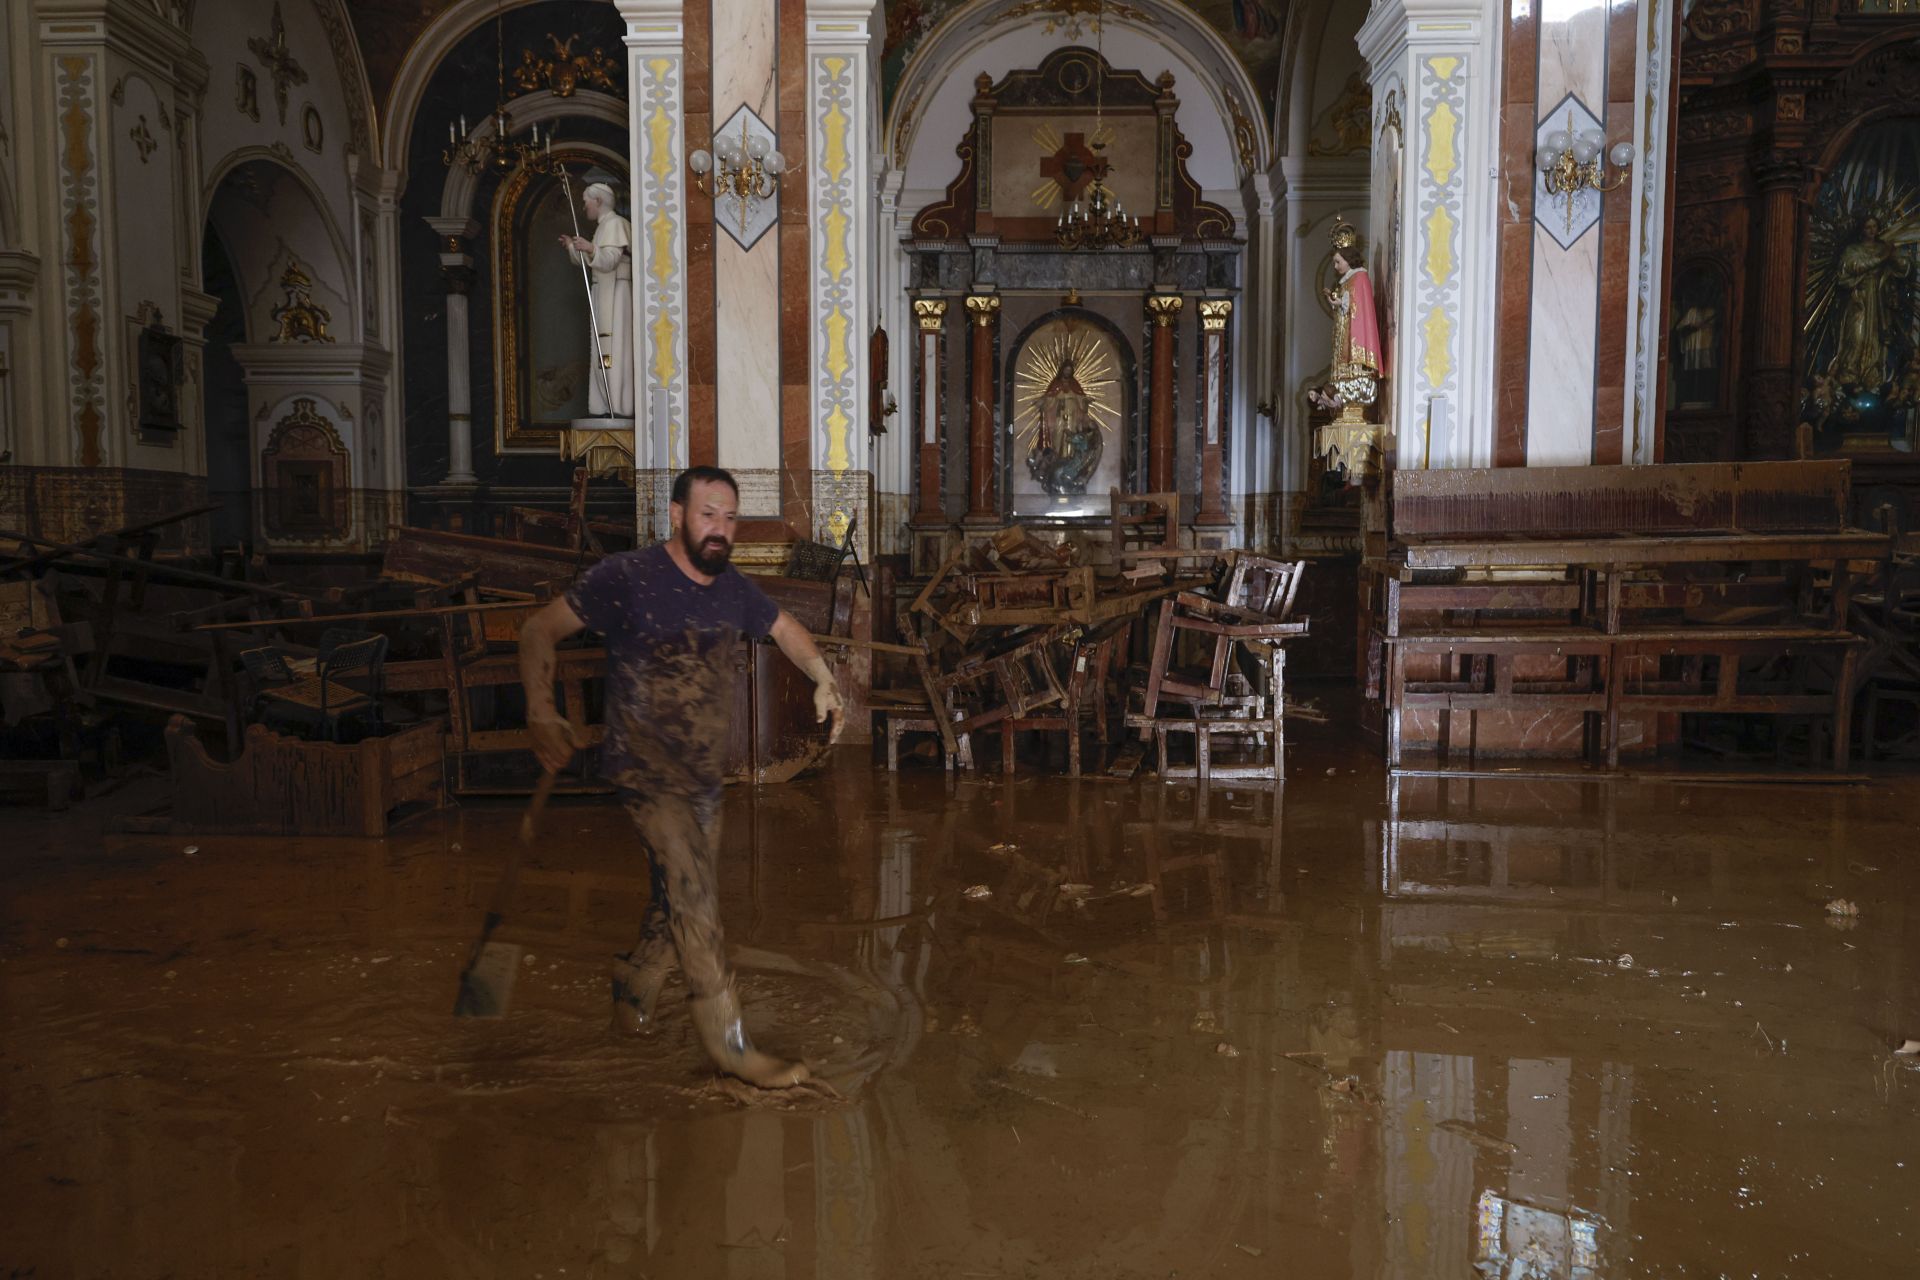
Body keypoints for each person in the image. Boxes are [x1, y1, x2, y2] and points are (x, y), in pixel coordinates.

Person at [517, 466, 845, 1088]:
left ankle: (633, 988)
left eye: (729, 517)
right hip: (645, 771)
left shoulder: (732, 588)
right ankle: (731, 1046)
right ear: (674, 515)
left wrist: (822, 676)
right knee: (696, 895)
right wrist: (540, 709)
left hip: (702, 780)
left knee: (674, 905)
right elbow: (539, 629)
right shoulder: (627, 577)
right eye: (707, 515)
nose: (720, 529)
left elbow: (785, 629)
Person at [557, 181, 634, 418]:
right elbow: (590, 264)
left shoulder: (617, 224)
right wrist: (574, 247)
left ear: (598, 201)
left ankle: (619, 405)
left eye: (586, 202)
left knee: (614, 349)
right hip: (602, 292)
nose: (584, 207)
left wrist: (590, 248)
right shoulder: (603, 227)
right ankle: (604, 404)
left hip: (617, 295)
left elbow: (610, 260)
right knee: (603, 353)